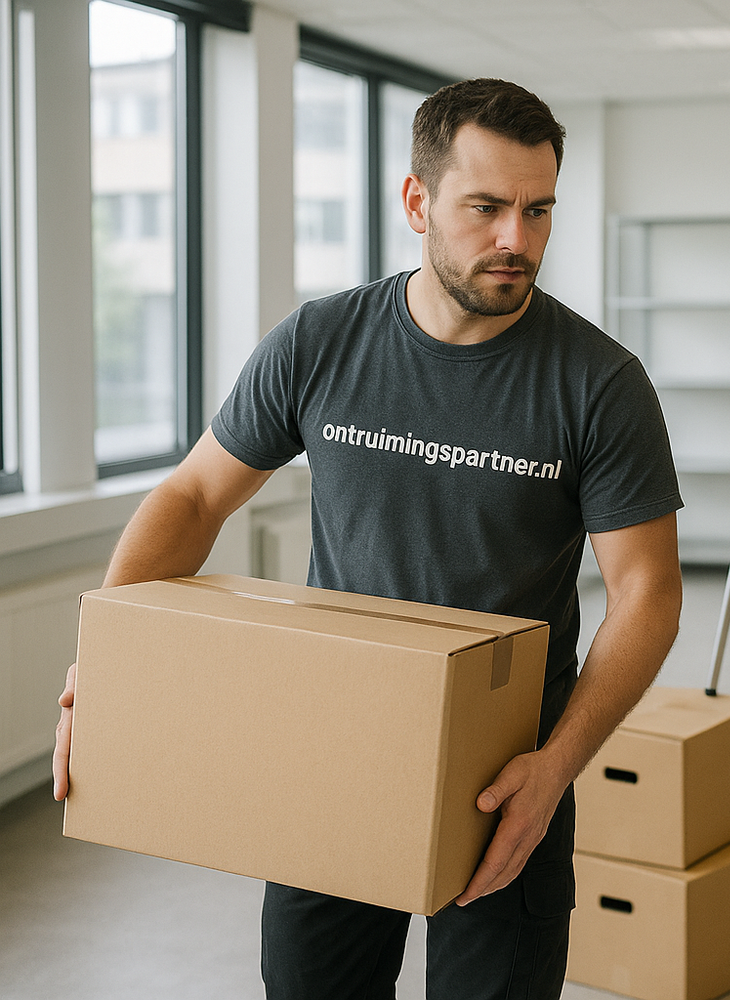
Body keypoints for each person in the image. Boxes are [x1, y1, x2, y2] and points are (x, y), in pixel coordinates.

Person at [52, 78, 684, 1000]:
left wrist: (556, 771)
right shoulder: (321, 341)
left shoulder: (598, 383)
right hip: (334, 753)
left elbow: (647, 593)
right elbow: (193, 497)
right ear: (417, 202)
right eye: (488, 207)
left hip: (506, 775)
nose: (519, 238)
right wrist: (108, 660)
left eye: (538, 209)